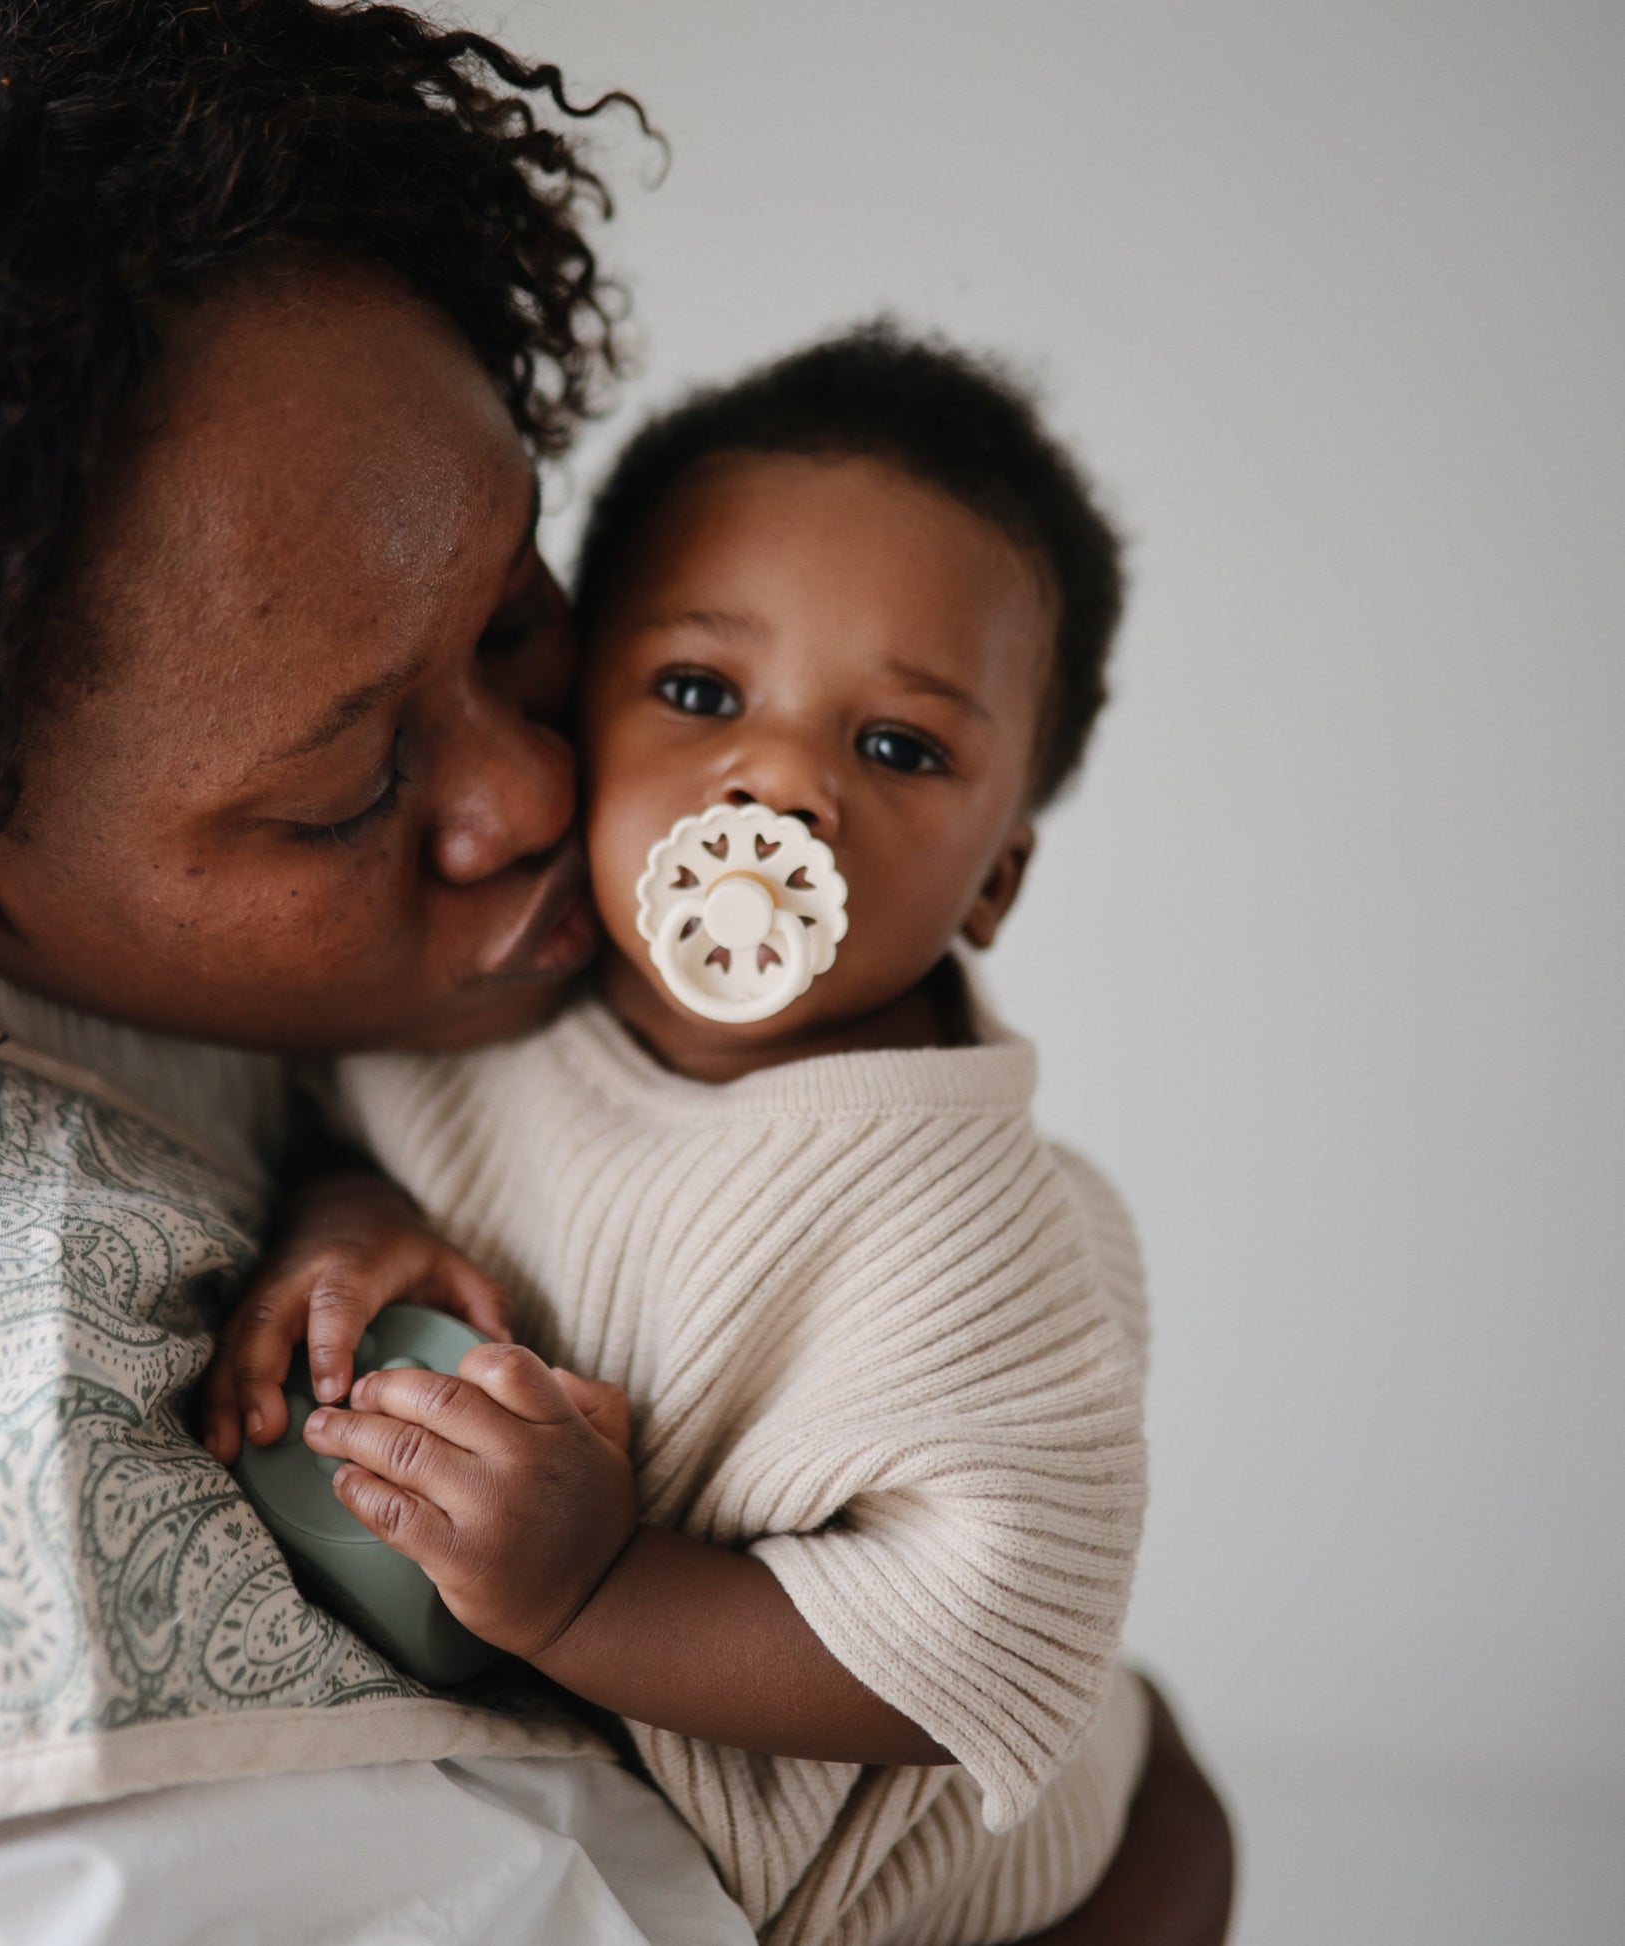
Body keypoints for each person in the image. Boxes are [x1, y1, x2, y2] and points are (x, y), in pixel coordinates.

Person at [0, 3, 1231, 1941]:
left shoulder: (902, 1192)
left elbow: (1010, 1640)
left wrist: (355, 1214)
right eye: (344, 791)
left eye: (518, 621)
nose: (536, 788)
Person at [205, 327, 1152, 1945]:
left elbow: (998, 1629)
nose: (777, 780)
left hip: (946, 1899)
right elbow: (335, 1119)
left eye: (900, 746)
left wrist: (602, 1595)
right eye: (701, 691)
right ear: (581, 710)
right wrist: (348, 1217)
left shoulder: (975, 1221)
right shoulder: (495, 1007)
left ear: (993, 878)